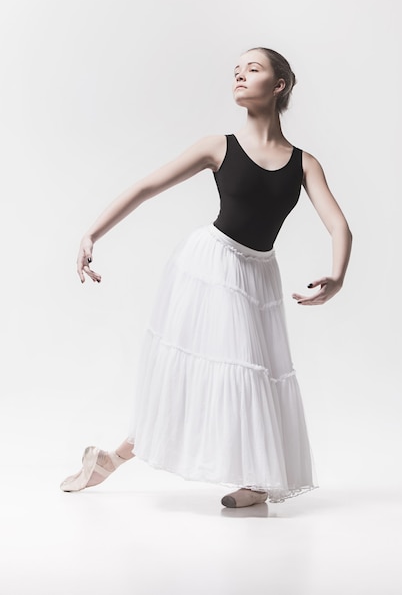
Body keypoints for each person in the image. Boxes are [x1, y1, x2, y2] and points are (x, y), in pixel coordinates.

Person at [60, 46, 352, 508]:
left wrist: (337, 276)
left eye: (252, 70)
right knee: (213, 373)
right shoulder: (218, 146)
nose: (239, 76)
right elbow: (146, 186)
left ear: (279, 86)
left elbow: (339, 225)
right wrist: (92, 233)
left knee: (255, 373)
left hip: (259, 275)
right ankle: (116, 457)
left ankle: (249, 480)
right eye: (235, 70)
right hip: (212, 266)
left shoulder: (304, 163)